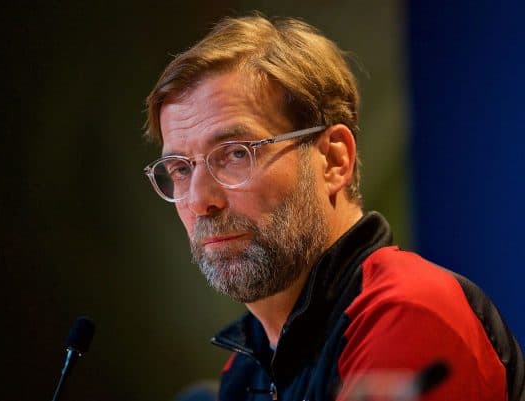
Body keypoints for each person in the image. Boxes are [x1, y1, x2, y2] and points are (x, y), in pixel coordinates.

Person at [142, 14, 524, 401]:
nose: (200, 200)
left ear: (333, 160)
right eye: (179, 168)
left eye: (236, 154)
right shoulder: (245, 368)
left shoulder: (410, 312)